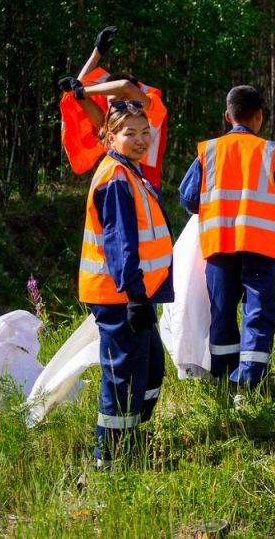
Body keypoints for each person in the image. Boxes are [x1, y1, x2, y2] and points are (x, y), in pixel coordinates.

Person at [178, 86, 275, 387]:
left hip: (219, 247)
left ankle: (223, 377)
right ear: (260, 116)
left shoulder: (208, 151)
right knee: (258, 316)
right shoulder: (272, 153)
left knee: (222, 313)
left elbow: (187, 198)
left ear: (227, 116)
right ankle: (248, 387)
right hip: (262, 247)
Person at [77, 99, 173, 468]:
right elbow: (120, 242)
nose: (140, 139)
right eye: (129, 132)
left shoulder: (130, 171)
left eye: (144, 131)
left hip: (136, 294)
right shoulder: (116, 178)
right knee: (123, 377)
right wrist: (135, 294)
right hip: (120, 296)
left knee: (148, 372)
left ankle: (132, 442)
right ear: (109, 137)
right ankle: (110, 460)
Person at [58, 26, 169, 189]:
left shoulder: (152, 110)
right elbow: (75, 93)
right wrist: (97, 52)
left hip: (146, 190)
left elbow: (125, 87)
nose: (121, 105)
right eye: (113, 102)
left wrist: (83, 91)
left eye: (124, 99)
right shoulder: (113, 127)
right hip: (119, 186)